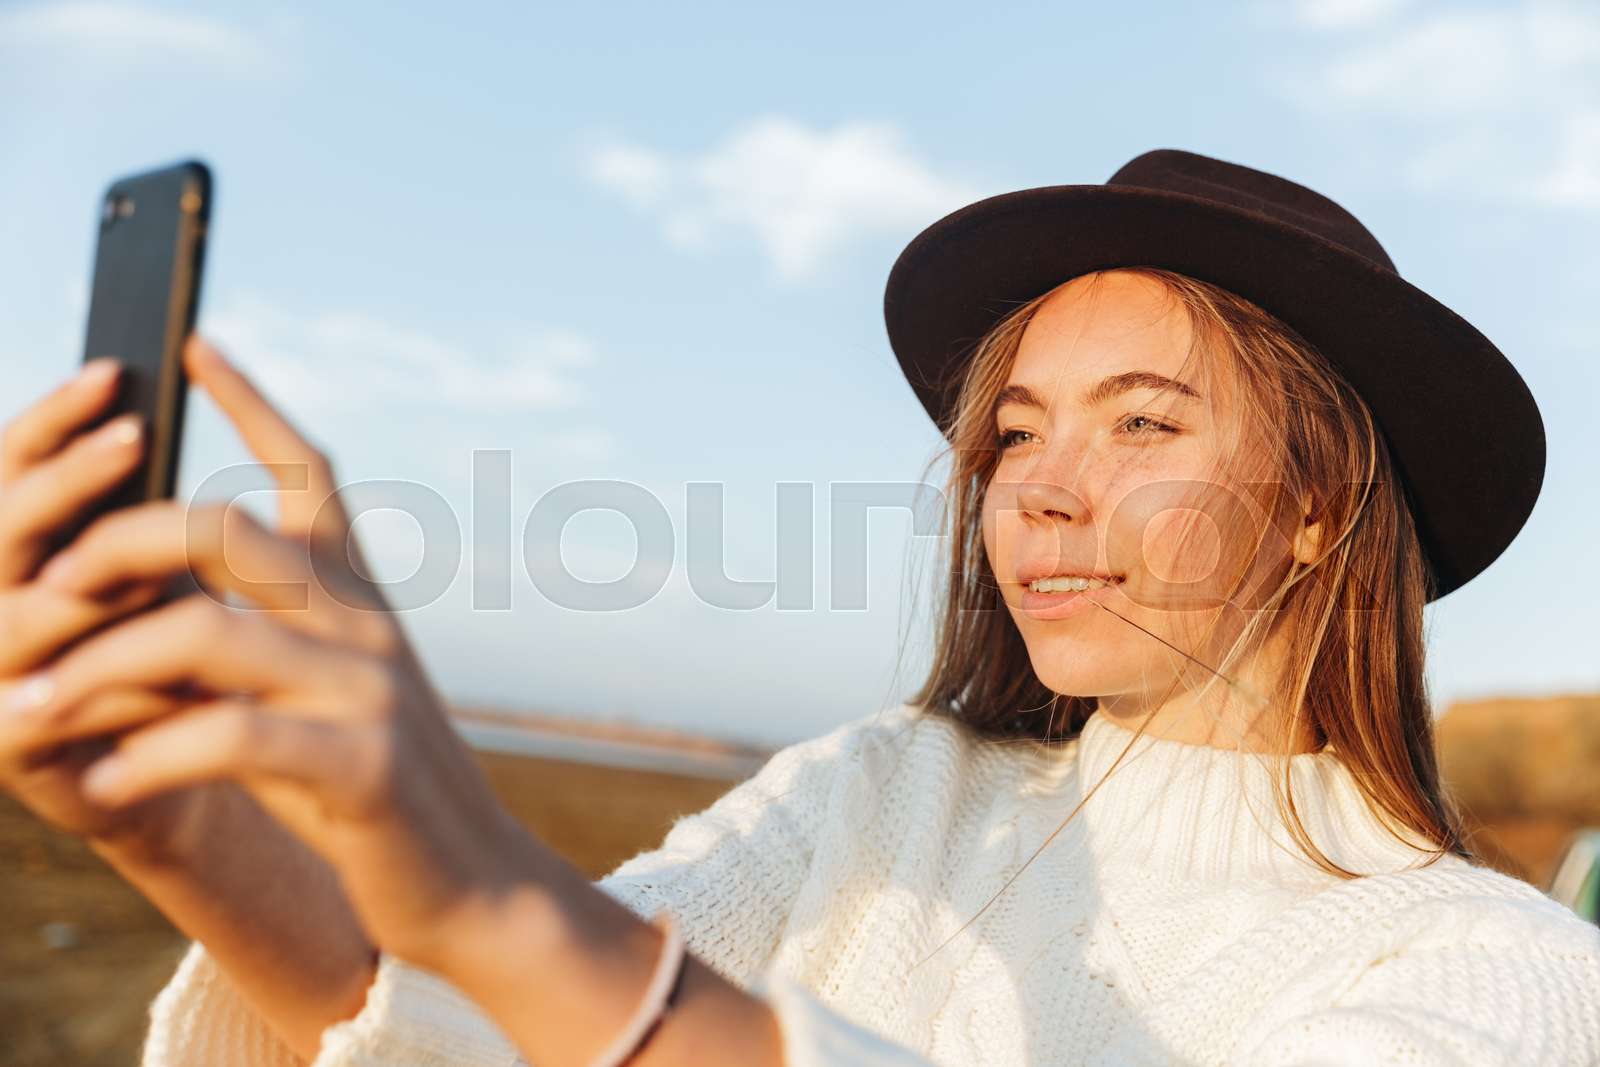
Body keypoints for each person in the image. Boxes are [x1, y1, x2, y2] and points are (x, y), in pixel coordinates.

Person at [2, 148, 1596, 1067]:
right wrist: (181, 826)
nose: (1037, 489)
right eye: (1018, 432)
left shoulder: (1500, 977)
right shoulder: (876, 790)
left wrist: (485, 883)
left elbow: (545, 968)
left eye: (1145, 424)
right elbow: (488, 1036)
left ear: (1322, 511)